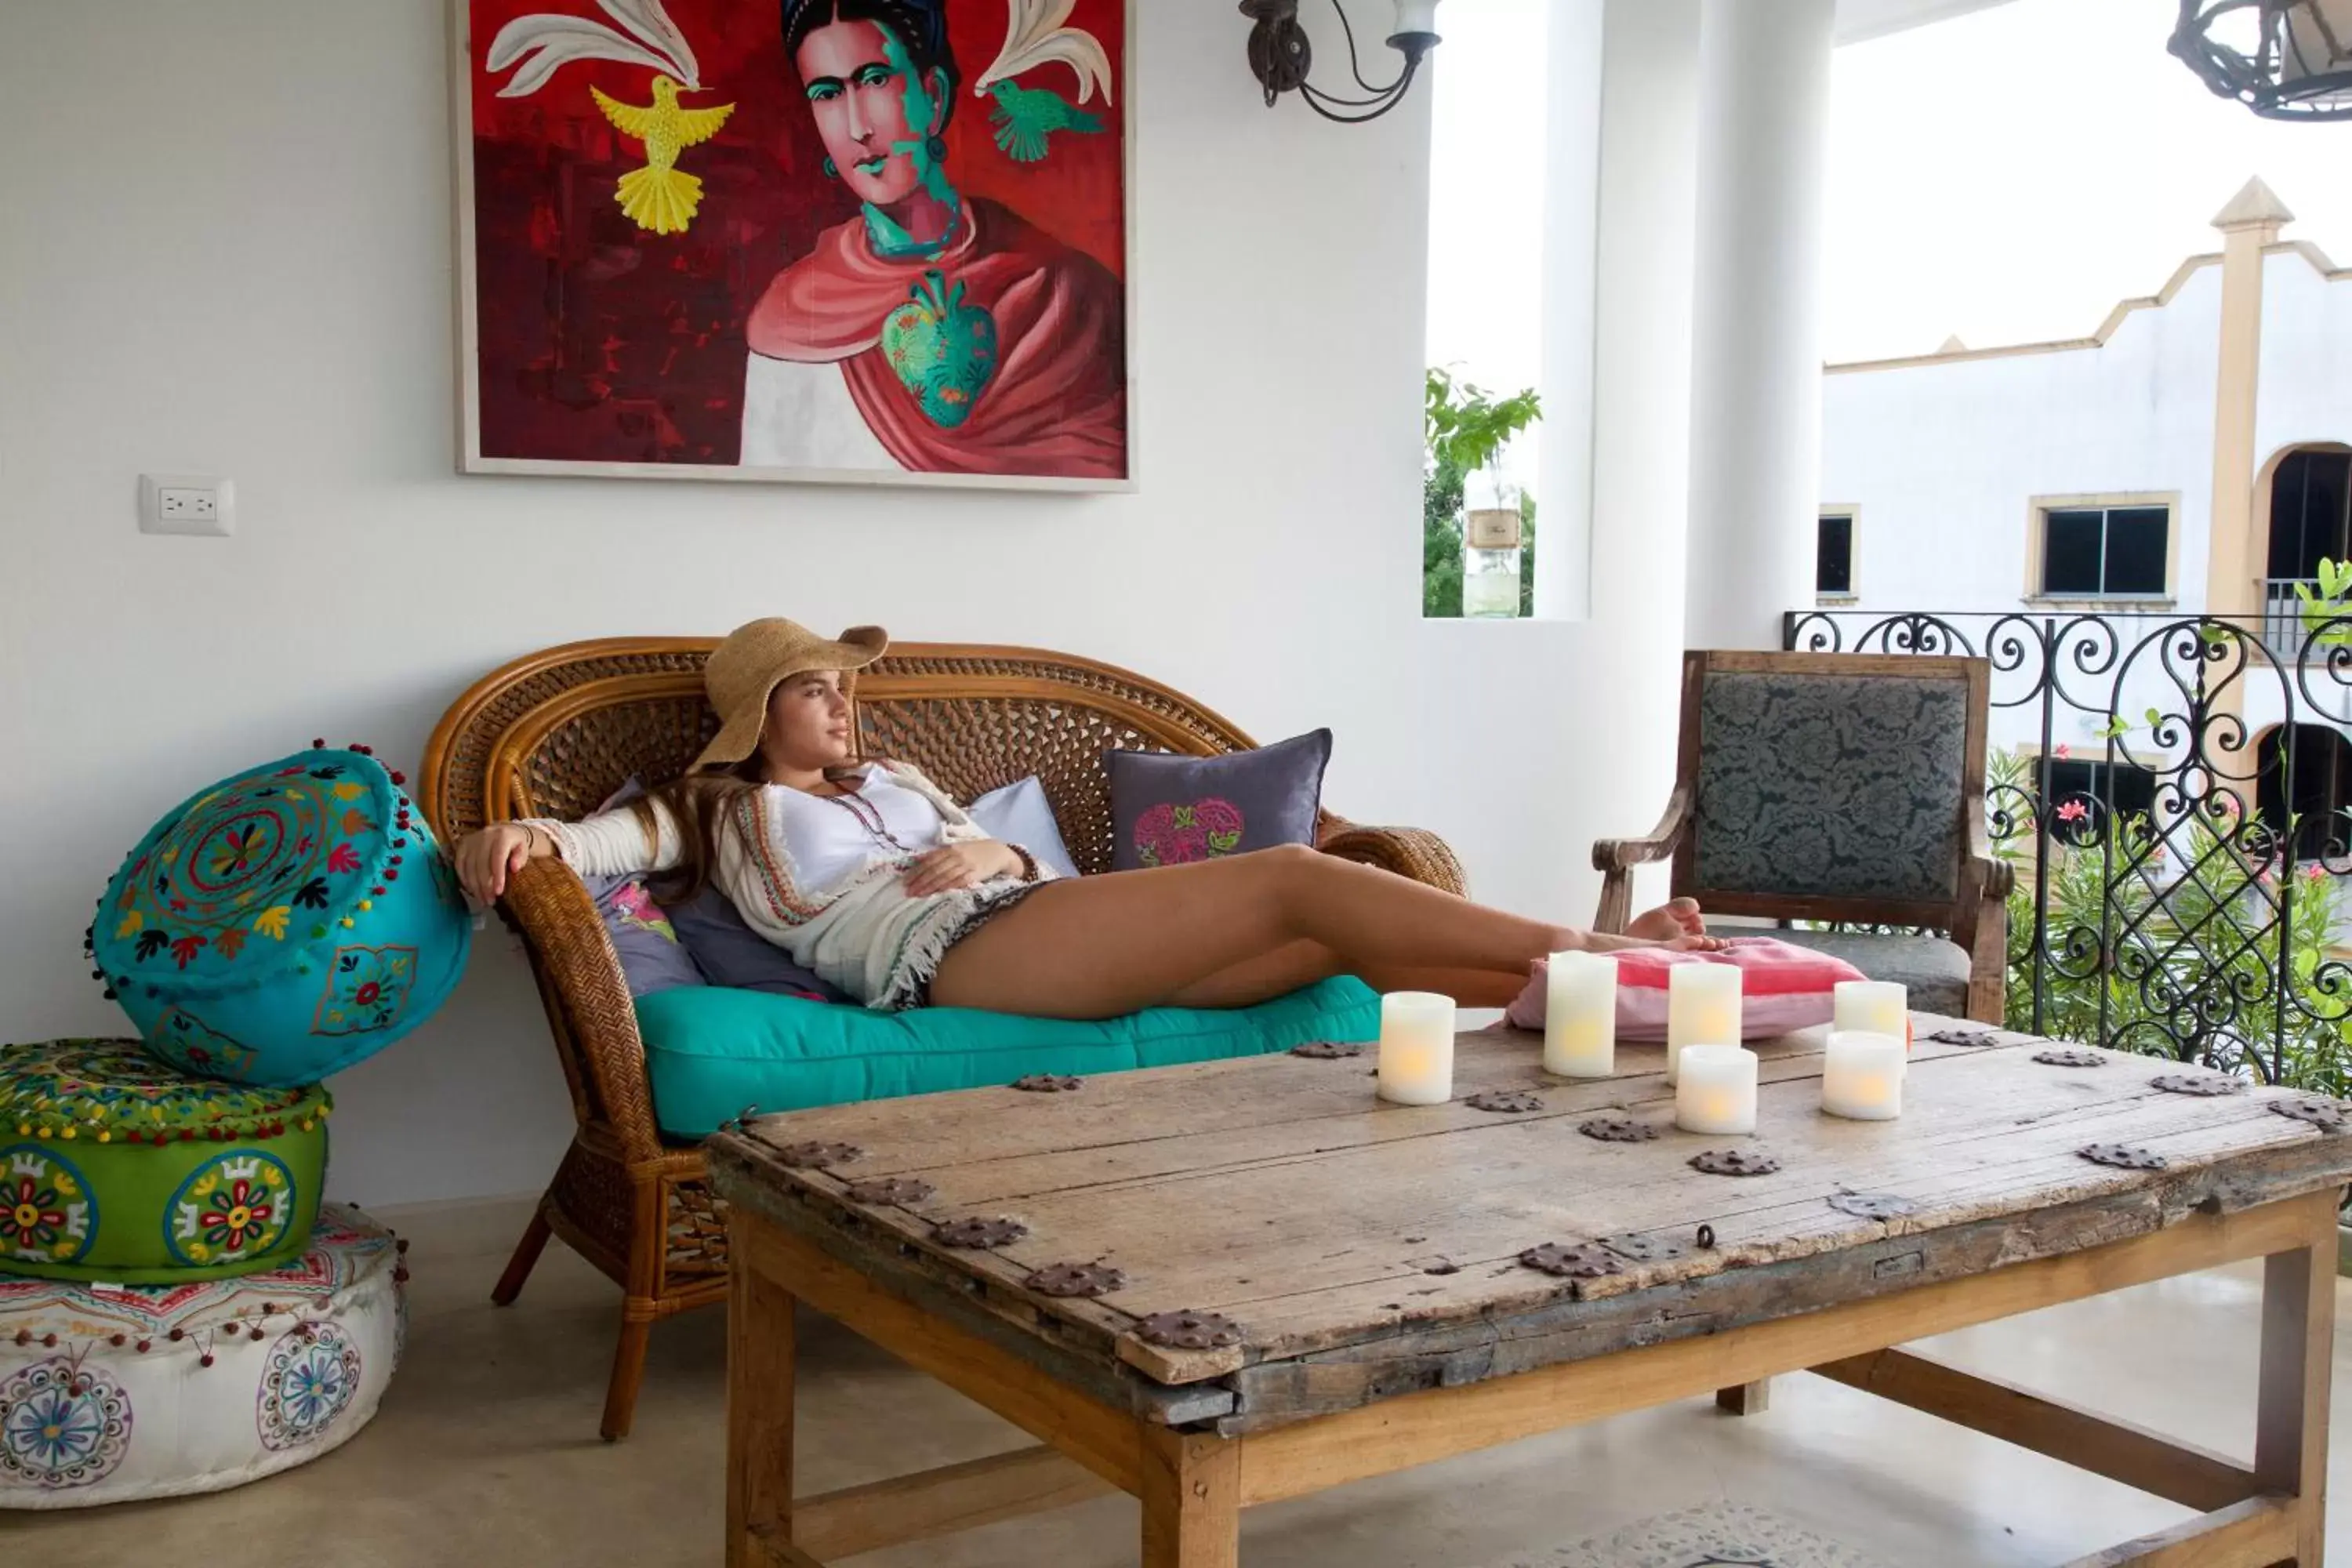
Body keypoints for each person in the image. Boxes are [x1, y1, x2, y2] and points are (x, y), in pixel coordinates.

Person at [455, 619, 1719, 1021]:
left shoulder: (896, 781)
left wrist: (996, 844)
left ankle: (1563, 995)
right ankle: (1625, 957)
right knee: (1290, 878)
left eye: (848, 685)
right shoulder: (712, 808)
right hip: (947, 958)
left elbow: (996, 849)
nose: (846, 703)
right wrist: (498, 840)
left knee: (1338, 946)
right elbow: (576, 841)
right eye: (817, 689)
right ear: (754, 714)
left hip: (1024, 909)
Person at [739, 0, 1127, 478]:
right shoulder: (791, 318)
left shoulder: (1066, 293)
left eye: (876, 80)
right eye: (827, 93)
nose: (858, 128)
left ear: (934, 96)